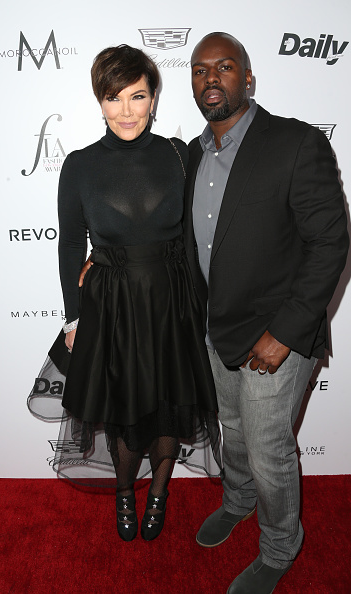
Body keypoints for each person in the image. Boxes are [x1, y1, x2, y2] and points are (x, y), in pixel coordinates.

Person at [28, 44, 222, 543]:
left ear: (154, 97)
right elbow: (71, 244)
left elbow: (190, 238)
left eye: (137, 96)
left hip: (171, 300)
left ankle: (158, 490)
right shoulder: (79, 165)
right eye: (114, 98)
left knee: (168, 405)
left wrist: (199, 308)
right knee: (125, 409)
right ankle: (123, 490)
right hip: (111, 306)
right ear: (100, 102)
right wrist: (74, 320)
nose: (127, 111)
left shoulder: (180, 154)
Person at [183, 32, 349, 593]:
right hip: (216, 328)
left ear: (247, 80)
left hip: (277, 334)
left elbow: (331, 243)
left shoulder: (295, 143)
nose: (212, 78)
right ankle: (238, 499)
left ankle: (281, 546)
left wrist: (285, 332)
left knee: (268, 448)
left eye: (224, 67)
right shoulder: (190, 154)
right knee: (231, 430)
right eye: (200, 70)